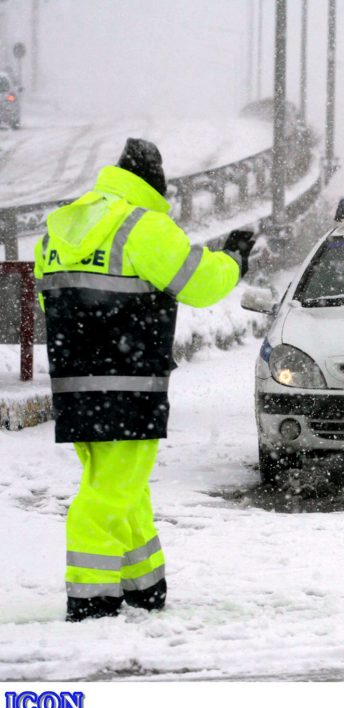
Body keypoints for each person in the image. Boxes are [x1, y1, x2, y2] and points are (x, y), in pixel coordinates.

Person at [34, 138, 256, 621]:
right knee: (109, 492)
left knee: (123, 486)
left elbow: (52, 303)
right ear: (154, 185)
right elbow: (201, 282)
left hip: (77, 387)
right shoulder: (140, 225)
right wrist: (235, 257)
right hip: (128, 383)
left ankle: (145, 586)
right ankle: (91, 597)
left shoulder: (64, 226)